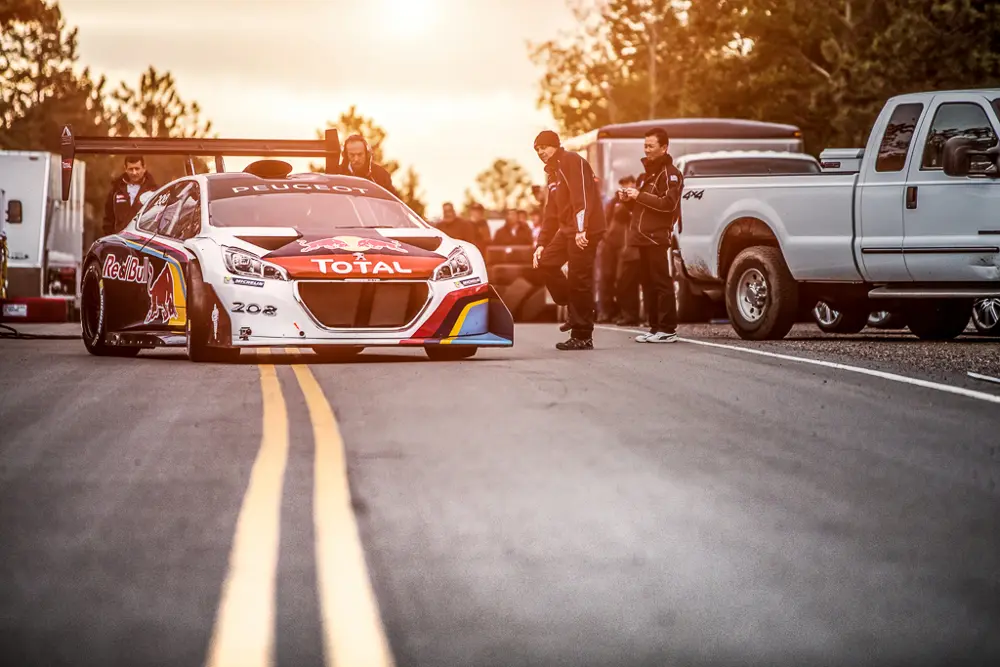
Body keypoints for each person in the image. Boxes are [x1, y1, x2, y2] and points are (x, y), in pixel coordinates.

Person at [531, 130, 606, 350]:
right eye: (537, 149)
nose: (540, 152)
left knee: (579, 279)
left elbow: (581, 196)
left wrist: (582, 229)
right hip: (568, 231)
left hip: (585, 229)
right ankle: (575, 307)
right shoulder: (553, 173)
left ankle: (582, 335)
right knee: (546, 262)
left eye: (544, 147)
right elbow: (551, 212)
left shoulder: (571, 161)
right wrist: (541, 244)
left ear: (555, 145)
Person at [618, 127, 682, 343]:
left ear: (664, 148)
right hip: (642, 237)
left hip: (657, 237)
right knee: (648, 284)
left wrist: (639, 195)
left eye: (651, 146)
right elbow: (642, 208)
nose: (646, 150)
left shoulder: (671, 174)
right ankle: (655, 328)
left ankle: (668, 329)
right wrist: (627, 201)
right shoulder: (648, 174)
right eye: (645, 146)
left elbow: (668, 204)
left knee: (662, 282)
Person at [597, 174, 635, 323]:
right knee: (606, 279)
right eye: (623, 184)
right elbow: (606, 220)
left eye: (628, 183)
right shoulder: (614, 201)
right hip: (610, 244)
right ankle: (607, 312)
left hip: (624, 246)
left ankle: (624, 313)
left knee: (623, 280)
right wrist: (604, 238)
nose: (625, 187)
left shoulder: (633, 201)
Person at [103, 155, 158, 236]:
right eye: (131, 169)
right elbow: (108, 219)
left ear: (144, 168)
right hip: (120, 240)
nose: (134, 172)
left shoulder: (154, 191)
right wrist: (110, 237)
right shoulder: (116, 191)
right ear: (125, 169)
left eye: (137, 168)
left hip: (144, 240)